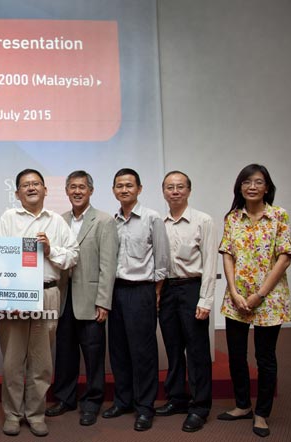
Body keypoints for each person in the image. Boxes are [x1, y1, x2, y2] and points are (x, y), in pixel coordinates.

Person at [0, 169, 78, 437]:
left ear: (45, 190)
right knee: (12, 360)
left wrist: (51, 249)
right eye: (25, 185)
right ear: (17, 192)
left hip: (48, 293)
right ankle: (12, 413)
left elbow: (73, 256)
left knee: (41, 361)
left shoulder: (57, 222)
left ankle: (35, 413)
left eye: (36, 184)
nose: (31, 188)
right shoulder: (8, 218)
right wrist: (10, 294)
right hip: (15, 296)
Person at [217, 164, 291, 438]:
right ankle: (241, 406)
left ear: (267, 187)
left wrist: (259, 294)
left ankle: (261, 413)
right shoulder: (233, 218)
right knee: (237, 356)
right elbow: (226, 254)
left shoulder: (278, 216)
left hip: (269, 299)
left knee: (265, 358)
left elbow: (284, 258)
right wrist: (235, 292)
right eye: (246, 182)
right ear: (239, 187)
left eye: (258, 182)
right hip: (236, 299)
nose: (252, 186)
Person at [46, 170, 119, 427]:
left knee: (93, 355)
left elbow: (108, 266)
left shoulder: (104, 221)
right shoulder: (59, 220)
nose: (77, 191)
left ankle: (92, 401)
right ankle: (65, 398)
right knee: (64, 354)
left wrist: (103, 302)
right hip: (64, 298)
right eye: (72, 187)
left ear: (90, 191)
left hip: (91, 300)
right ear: (66, 191)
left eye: (82, 187)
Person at [102, 168, 169, 432]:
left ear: (139, 189)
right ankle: (123, 401)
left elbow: (162, 261)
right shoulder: (112, 221)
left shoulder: (153, 218)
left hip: (142, 290)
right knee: (118, 350)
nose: (124, 190)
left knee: (143, 352)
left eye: (129, 185)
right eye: (119, 186)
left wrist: (155, 292)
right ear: (113, 191)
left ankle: (145, 407)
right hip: (116, 291)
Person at [156, 171, 217, 432]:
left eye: (180, 187)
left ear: (189, 190)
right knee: (173, 347)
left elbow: (211, 261)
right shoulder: (159, 222)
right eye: (170, 187)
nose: (175, 191)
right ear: (163, 192)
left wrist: (205, 300)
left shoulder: (204, 221)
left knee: (197, 350)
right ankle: (177, 399)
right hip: (168, 290)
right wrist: (157, 292)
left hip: (193, 288)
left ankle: (200, 406)